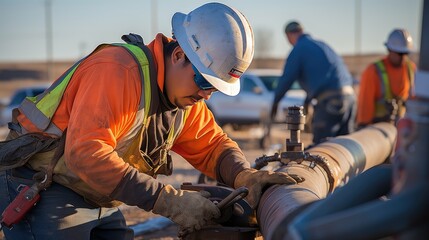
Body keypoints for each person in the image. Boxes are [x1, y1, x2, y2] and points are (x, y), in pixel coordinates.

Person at [0, 3, 303, 239]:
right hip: (44, 185)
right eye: (203, 81)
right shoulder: (118, 71)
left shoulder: (182, 99)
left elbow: (211, 146)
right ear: (179, 55)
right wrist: (167, 201)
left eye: (214, 88)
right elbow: (85, 154)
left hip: (96, 195)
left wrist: (243, 176)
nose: (206, 94)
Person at [271, 21, 356, 145]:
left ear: (289, 35)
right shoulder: (322, 45)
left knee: (321, 147)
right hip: (350, 98)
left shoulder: (299, 49)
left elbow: (286, 79)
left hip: (331, 101)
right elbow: (325, 77)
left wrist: (275, 102)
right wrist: (307, 101)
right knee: (345, 147)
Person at [356, 29, 416, 128]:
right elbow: (364, 108)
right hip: (377, 130)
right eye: (399, 53)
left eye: (406, 53)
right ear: (389, 50)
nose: (403, 57)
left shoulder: (411, 69)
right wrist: (363, 127)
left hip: (402, 128)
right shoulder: (373, 71)